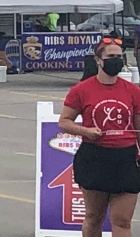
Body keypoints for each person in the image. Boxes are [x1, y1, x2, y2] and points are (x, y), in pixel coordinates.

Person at [59, 36, 140, 237]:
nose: (116, 61)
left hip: (126, 159)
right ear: (98, 60)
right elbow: (64, 121)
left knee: (122, 221)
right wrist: (86, 131)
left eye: (120, 57)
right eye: (111, 56)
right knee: (94, 217)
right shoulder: (81, 90)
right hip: (94, 157)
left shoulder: (133, 91)